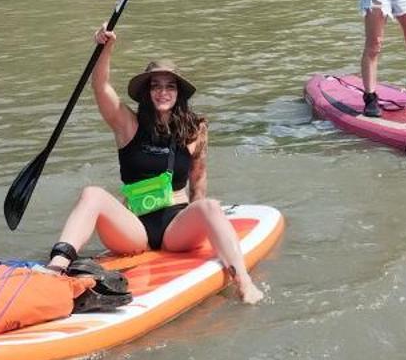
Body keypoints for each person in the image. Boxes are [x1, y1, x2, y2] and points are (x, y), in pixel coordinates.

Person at [37, 27, 265, 304]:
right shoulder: (127, 125)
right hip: (133, 231)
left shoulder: (195, 129)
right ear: (147, 92)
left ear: (178, 92)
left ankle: (243, 281)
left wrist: (207, 223)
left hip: (176, 229)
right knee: (92, 193)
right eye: (156, 85)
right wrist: (104, 48)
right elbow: (100, 86)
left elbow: (199, 182)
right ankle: (55, 267)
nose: (162, 92)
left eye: (170, 86)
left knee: (210, 206)